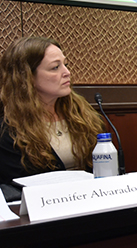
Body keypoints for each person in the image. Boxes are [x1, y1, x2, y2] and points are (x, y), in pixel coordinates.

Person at [0, 37, 104, 201]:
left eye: (65, 64)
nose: (67, 72)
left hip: (94, 201)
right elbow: (19, 186)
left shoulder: (84, 114)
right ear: (28, 77)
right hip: (46, 211)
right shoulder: (8, 130)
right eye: (55, 67)